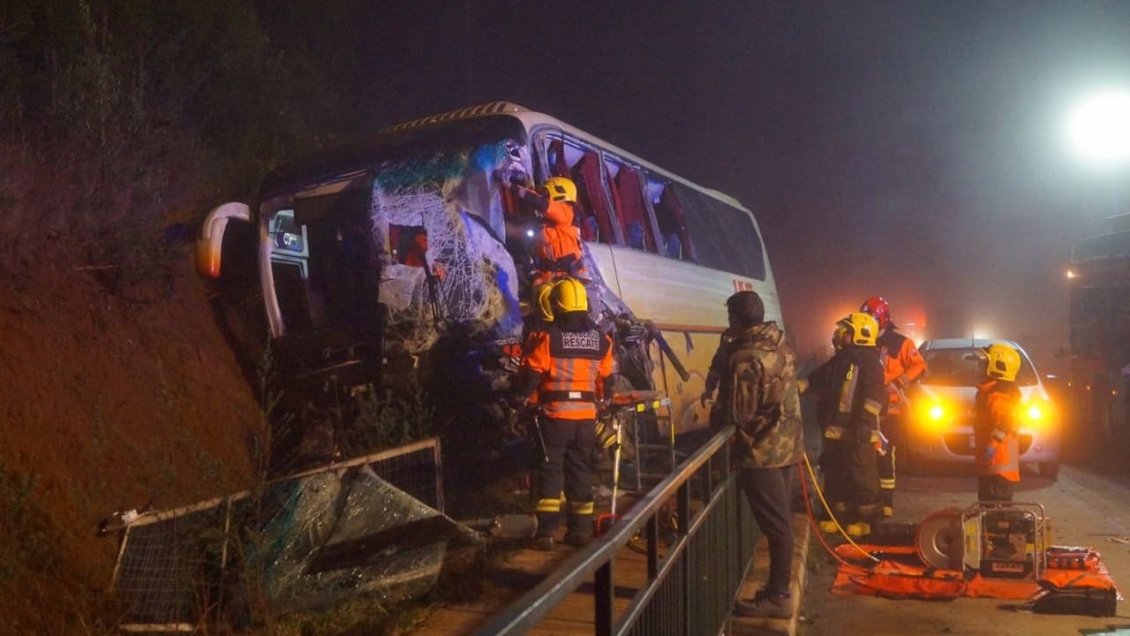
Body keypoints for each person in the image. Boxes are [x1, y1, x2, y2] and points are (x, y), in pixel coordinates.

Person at [705, 291, 803, 619]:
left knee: (777, 525)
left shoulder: (747, 355)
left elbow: (739, 413)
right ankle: (777, 591)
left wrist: (716, 421)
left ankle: (778, 595)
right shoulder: (778, 343)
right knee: (781, 521)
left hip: (761, 451)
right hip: (785, 445)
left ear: (736, 318)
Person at [523, 277, 617, 550]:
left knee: (551, 471)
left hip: (555, 417)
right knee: (580, 472)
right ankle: (581, 532)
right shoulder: (601, 338)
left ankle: (547, 534)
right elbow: (608, 378)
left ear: (557, 304)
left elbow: (532, 374)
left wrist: (522, 400)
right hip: (586, 420)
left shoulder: (549, 337)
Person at [804, 312, 886, 537]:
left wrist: (864, 424)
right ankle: (837, 517)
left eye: (847, 331)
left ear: (860, 335)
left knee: (863, 478)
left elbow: (875, 396)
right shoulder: (840, 360)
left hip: (859, 433)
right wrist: (800, 386)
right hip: (836, 431)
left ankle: (866, 521)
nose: (841, 335)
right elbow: (818, 378)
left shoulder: (869, 362)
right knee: (836, 473)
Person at [859, 296, 926, 517]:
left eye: (872, 317)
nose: (868, 321)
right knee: (865, 455)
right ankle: (868, 498)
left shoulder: (901, 343)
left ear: (883, 319)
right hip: (867, 410)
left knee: (885, 455)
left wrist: (898, 383)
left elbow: (919, 367)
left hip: (890, 412)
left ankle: (886, 502)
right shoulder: (863, 341)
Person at [511, 176, 588, 286]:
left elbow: (543, 204)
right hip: (549, 279)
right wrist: (535, 277)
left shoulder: (567, 212)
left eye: (546, 194)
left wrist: (514, 188)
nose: (544, 197)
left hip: (570, 279)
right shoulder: (543, 226)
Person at [975, 342, 1022, 502]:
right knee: (992, 510)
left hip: (998, 467)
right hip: (995, 465)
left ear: (998, 366)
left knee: (995, 510)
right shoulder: (993, 392)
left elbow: (1005, 422)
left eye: (984, 362)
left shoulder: (998, 395)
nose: (980, 366)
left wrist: (992, 445)